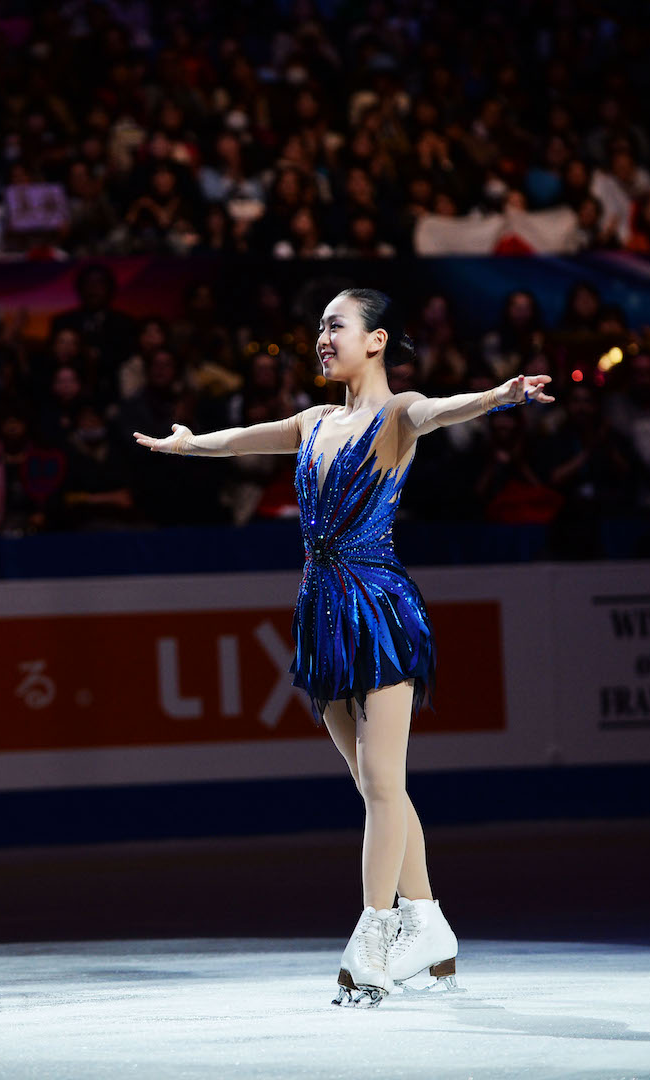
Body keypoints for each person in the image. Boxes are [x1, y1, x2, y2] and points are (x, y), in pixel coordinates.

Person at [133, 287, 552, 1007]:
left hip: (377, 609)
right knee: (374, 784)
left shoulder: (396, 413)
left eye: (336, 326)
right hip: (322, 617)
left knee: (384, 783)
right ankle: (430, 926)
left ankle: (373, 940)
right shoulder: (315, 420)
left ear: (376, 340)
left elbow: (440, 409)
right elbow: (243, 438)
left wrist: (498, 395)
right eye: (319, 328)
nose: (322, 338)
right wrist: (187, 445)